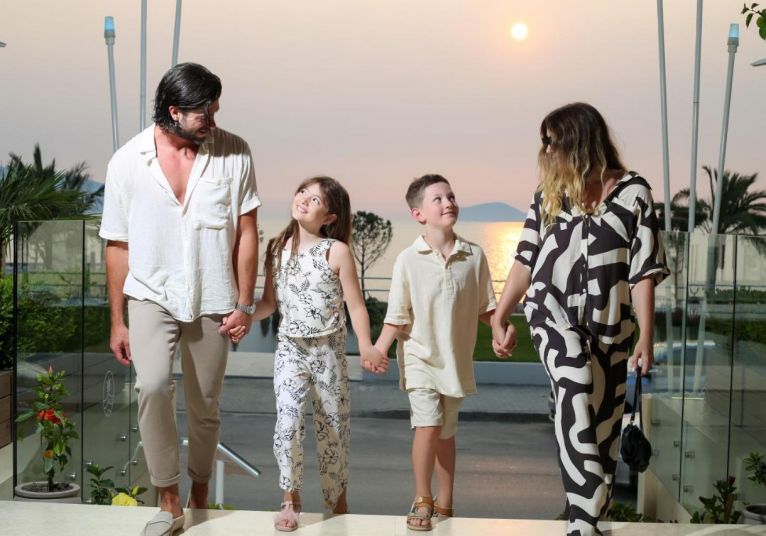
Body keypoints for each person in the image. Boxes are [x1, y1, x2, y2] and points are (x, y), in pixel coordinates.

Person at [492, 102, 669, 536]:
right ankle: (587, 495)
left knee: (601, 435)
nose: (546, 150)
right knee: (573, 370)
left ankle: (583, 523)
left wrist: (646, 336)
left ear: (578, 140)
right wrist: (501, 315)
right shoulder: (548, 195)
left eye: (552, 141)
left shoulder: (634, 194)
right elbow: (525, 260)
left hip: (612, 330)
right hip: (550, 311)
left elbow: (643, 271)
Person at [100, 63, 260, 536]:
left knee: (205, 404)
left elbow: (247, 232)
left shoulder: (235, 152)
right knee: (151, 387)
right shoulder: (126, 162)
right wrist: (117, 321)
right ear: (174, 111)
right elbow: (117, 245)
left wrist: (244, 302)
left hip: (214, 296)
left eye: (215, 109)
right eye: (204, 112)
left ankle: (200, 489)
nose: (213, 119)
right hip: (150, 294)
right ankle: (168, 500)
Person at [245, 176, 389, 532]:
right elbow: (269, 303)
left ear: (329, 217)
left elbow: (356, 306)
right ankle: (289, 499)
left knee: (333, 431)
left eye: (316, 200)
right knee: (288, 423)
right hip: (289, 350)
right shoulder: (276, 248)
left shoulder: (335, 251)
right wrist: (244, 316)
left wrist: (367, 346)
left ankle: (338, 503)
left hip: (328, 353)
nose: (304, 200)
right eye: (302, 193)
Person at [373, 174, 498, 531]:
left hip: (454, 361)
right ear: (418, 214)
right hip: (419, 357)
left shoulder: (474, 255)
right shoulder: (407, 260)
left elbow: (486, 308)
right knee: (427, 425)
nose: (448, 203)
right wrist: (380, 348)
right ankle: (422, 497)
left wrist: (500, 331)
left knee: (445, 431)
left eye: (451, 196)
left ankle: (446, 501)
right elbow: (397, 315)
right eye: (438, 199)